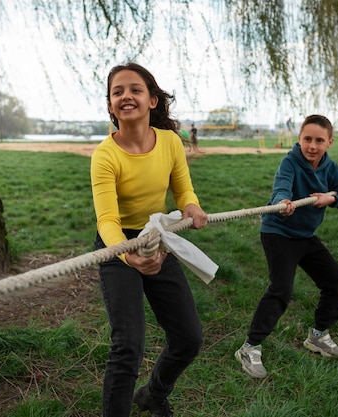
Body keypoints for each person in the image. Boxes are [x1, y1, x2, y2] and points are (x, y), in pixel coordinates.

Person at [91, 62, 208, 417]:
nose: (126, 95)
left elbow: (182, 187)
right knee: (128, 346)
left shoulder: (171, 142)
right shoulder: (105, 156)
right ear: (111, 106)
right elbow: (107, 220)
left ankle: (153, 394)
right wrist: (128, 257)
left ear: (152, 100)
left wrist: (191, 206)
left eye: (135, 89)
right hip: (117, 245)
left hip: (156, 237)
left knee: (189, 339)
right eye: (117, 92)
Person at [235, 114, 338, 379]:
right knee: (282, 289)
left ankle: (317, 336)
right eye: (307, 139)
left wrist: (331, 198)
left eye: (319, 140)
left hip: (304, 236)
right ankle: (250, 347)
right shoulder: (290, 161)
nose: (312, 146)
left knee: (335, 282)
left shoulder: (331, 168)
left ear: (330, 142)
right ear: (299, 139)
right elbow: (280, 188)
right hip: (278, 233)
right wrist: (284, 202)